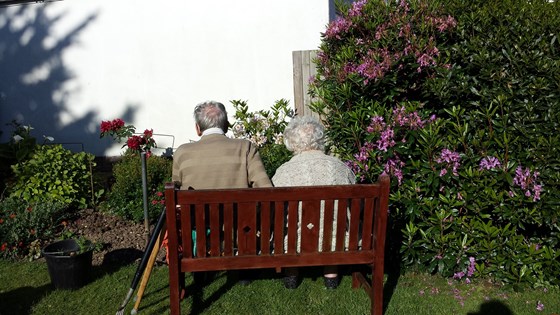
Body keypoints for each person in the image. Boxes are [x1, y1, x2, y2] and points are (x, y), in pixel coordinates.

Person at [172, 100, 272, 285]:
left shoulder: (182, 152)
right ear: (226, 125)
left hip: (200, 230)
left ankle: (200, 264)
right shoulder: (245, 148)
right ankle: (243, 268)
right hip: (238, 231)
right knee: (245, 215)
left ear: (197, 128)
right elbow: (266, 190)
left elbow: (176, 193)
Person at [272, 115, 356, 290]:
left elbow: (274, 208)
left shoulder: (284, 172)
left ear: (292, 142)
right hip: (339, 240)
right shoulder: (341, 167)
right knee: (332, 223)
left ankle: (291, 275)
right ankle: (331, 276)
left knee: (291, 224)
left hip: (295, 241)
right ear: (320, 139)